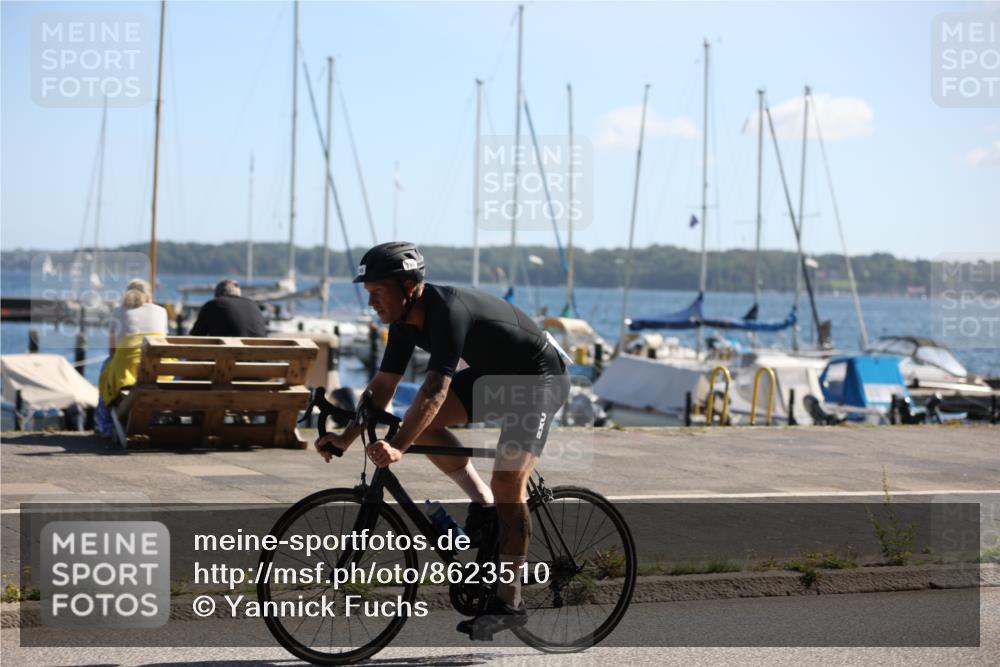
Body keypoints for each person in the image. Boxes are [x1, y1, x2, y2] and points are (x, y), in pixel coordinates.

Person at [314, 242, 570, 638]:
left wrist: (398, 446)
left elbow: (434, 391)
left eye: (378, 292)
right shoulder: (402, 324)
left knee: (508, 483)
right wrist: (346, 438)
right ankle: (483, 504)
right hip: (493, 377)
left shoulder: (447, 311)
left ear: (409, 286)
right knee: (422, 427)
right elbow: (383, 385)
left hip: (537, 380)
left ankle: (510, 600)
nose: (372, 303)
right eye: (368, 294)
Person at [98, 278, 169, 413]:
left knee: (105, 369)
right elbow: (162, 341)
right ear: (149, 295)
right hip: (158, 372)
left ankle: (104, 423)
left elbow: (112, 351)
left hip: (127, 373)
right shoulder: (161, 311)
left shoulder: (117, 311)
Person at [189, 279, 268, 337]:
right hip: (262, 357)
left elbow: (196, 335)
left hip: (232, 356)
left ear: (217, 294)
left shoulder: (214, 304)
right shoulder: (253, 304)